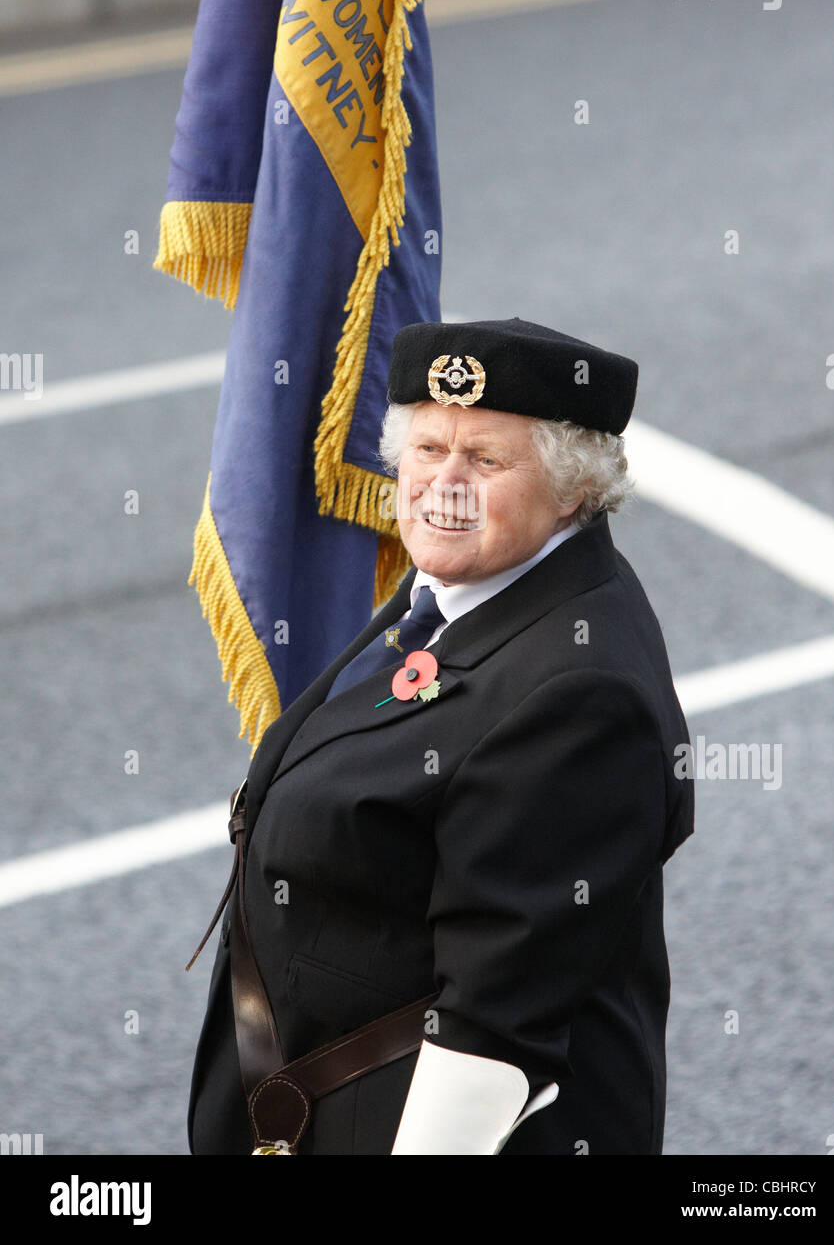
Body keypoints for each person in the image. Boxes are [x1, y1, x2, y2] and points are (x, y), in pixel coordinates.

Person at [187, 316, 693, 1155]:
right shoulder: (467, 582)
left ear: (575, 488)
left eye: (485, 461)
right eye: (426, 450)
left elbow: (491, 1038)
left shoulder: (580, 698)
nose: (442, 486)